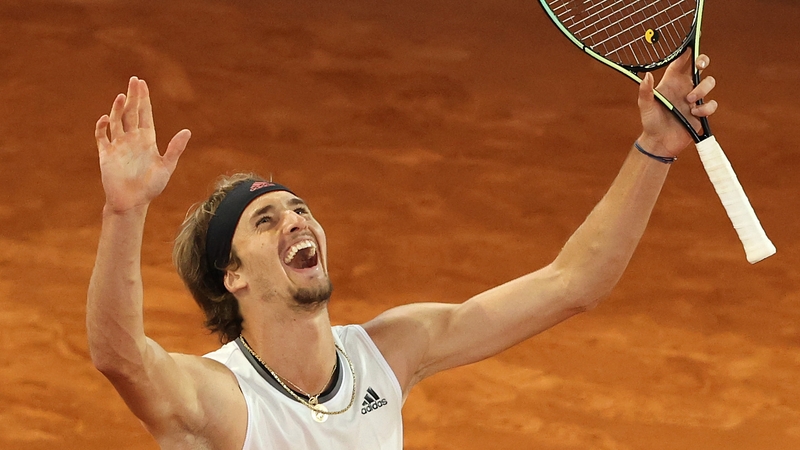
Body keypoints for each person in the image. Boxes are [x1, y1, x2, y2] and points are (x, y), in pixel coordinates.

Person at [87, 51, 718, 449]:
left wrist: (655, 148)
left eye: (300, 209)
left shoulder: (389, 352)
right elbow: (121, 358)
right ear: (233, 277)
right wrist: (126, 211)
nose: (296, 222)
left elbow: (573, 283)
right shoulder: (223, 401)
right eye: (265, 221)